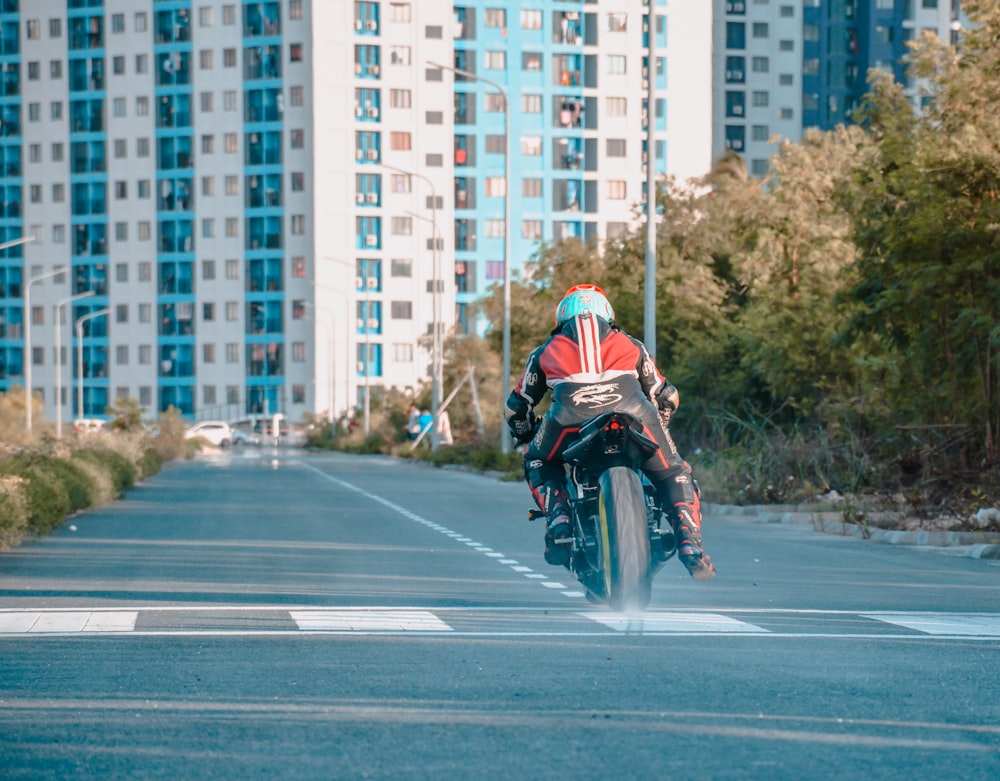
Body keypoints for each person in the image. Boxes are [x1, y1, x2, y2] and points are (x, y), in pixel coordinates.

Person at [503, 283, 715, 580]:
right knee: (673, 472)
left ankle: (559, 519)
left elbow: (516, 409)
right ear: (608, 314)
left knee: (536, 459)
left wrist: (526, 435)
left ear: (561, 317)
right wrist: (660, 427)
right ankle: (691, 545)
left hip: (568, 420)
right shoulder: (631, 344)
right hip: (635, 414)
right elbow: (668, 396)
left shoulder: (544, 352)